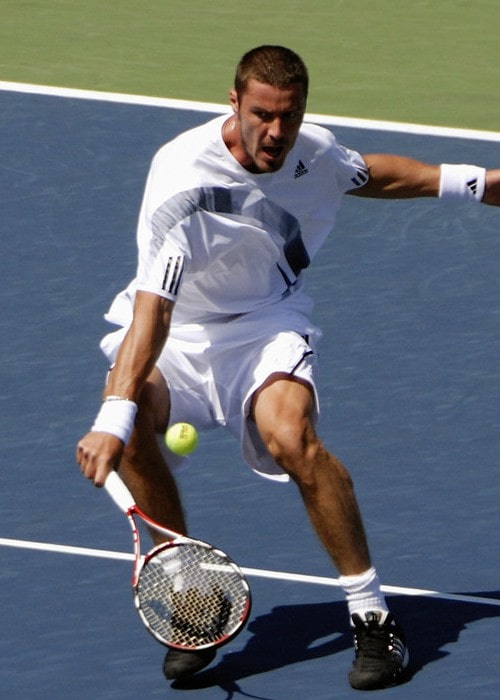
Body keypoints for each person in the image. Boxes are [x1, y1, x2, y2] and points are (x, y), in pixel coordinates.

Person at [76, 45, 500, 691]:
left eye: (290, 116)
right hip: (178, 330)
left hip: (267, 324)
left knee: (293, 438)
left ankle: (371, 615)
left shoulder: (312, 149)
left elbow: (370, 174)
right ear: (234, 102)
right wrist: (113, 414)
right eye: (262, 115)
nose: (276, 132)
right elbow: (152, 314)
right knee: (132, 425)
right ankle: (191, 589)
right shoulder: (179, 176)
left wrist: (477, 184)